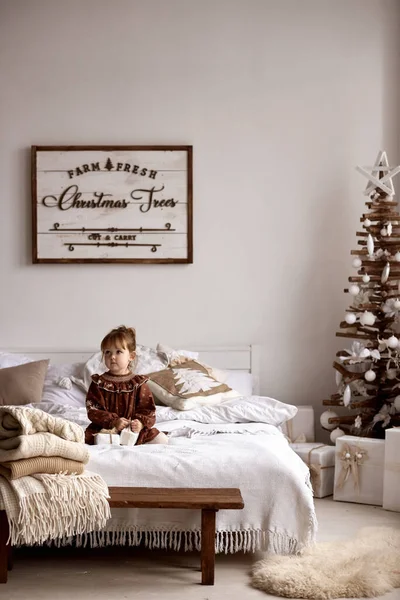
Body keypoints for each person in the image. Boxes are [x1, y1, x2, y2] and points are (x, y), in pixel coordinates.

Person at [84, 325, 168, 446]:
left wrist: (140, 423)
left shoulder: (138, 384)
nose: (112, 356)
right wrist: (113, 421)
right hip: (107, 428)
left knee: (161, 440)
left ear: (131, 356)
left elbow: (148, 409)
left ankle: (130, 440)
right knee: (91, 439)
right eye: (107, 352)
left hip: (133, 430)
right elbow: (93, 409)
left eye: (118, 352)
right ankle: (114, 441)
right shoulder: (99, 383)